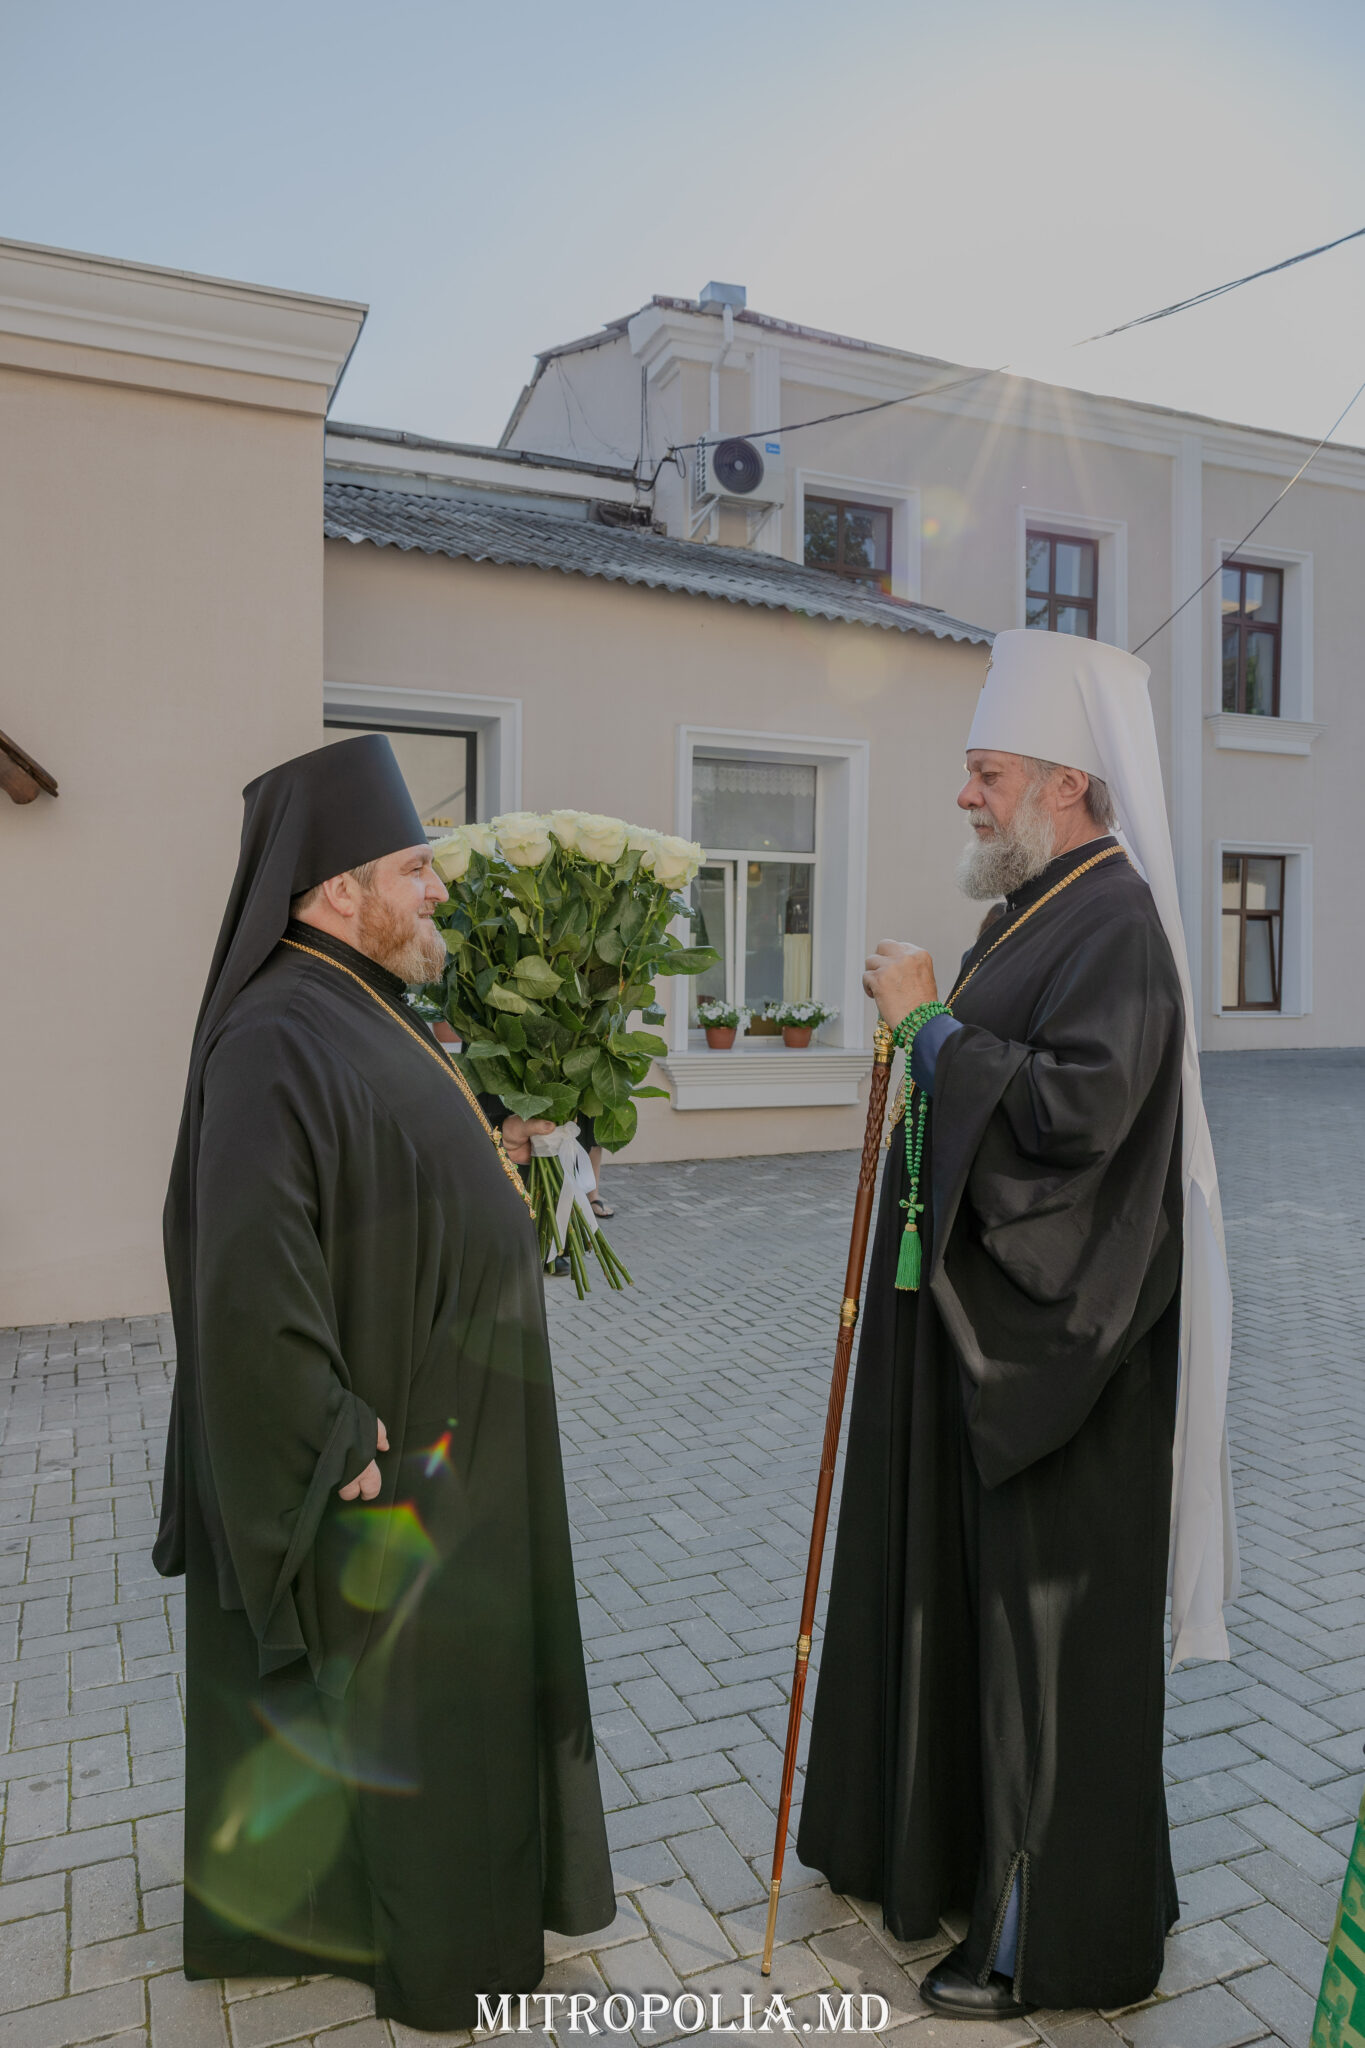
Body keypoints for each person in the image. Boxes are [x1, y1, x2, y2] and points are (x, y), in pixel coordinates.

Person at [797, 632, 1237, 2019]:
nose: (965, 796)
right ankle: (952, 1864)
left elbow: (1067, 1120)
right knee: (979, 1630)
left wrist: (928, 1028)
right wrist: (931, 1034)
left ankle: (1048, 1943)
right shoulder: (1038, 907)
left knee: (1045, 1656)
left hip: (1067, 1374)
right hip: (994, 1354)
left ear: (1064, 783)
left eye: (986, 774)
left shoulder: (1118, 928)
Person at [153, 735, 614, 2033]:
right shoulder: (269, 1033)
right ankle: (439, 1955)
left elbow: (393, 1167)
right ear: (335, 888)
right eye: (416, 869)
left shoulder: (357, 1000)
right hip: (392, 1448)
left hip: (459, 1430)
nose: (438, 891)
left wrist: (505, 1150)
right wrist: (328, 1428)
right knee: (417, 1710)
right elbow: (248, 1262)